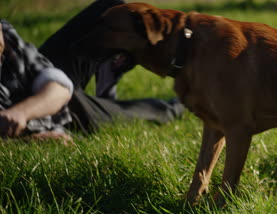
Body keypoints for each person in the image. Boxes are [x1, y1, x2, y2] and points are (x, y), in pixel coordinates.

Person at [0, 0, 184, 142]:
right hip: (48, 110)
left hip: (45, 87)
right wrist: (28, 136)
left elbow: (56, 84)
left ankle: (109, 66)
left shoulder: (4, 31)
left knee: (112, 7)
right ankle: (174, 107)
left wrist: (25, 110)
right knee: (122, 113)